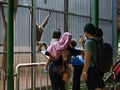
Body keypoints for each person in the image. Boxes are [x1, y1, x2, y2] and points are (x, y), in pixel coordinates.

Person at [81, 23, 105, 90]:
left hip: (92, 69)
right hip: (99, 67)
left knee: (94, 88)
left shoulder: (89, 42)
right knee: (99, 87)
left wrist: (84, 72)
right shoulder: (99, 40)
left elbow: (87, 58)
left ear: (86, 32)